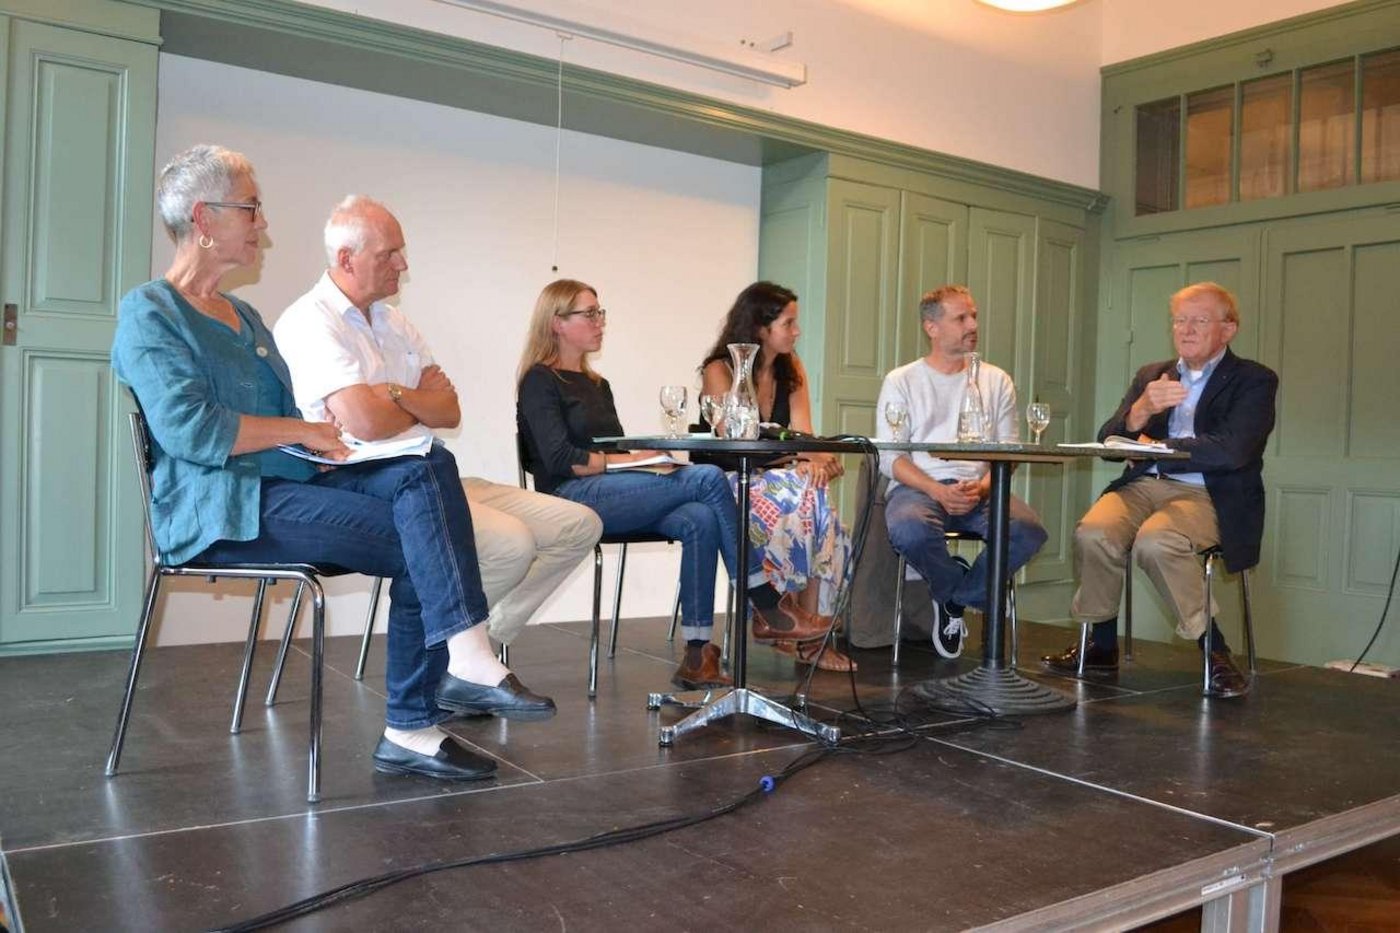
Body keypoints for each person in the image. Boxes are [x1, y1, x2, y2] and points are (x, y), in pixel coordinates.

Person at [111, 144, 554, 786]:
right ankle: (417, 718)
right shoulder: (150, 311)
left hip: (285, 483)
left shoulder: (243, 315)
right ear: (205, 219)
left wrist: (321, 437)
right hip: (220, 507)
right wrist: (308, 431)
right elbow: (193, 430)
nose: (263, 224)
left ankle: (458, 663)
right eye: (252, 209)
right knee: (416, 542)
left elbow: (309, 420)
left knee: (425, 468)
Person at [274, 195, 601, 648]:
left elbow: (449, 410)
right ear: (347, 258)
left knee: (580, 524)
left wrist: (391, 393)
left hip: (432, 469)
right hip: (373, 483)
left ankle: (472, 646)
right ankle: (457, 658)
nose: (402, 264)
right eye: (389, 253)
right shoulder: (311, 320)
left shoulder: (395, 322)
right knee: (511, 544)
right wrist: (414, 400)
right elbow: (365, 423)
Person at [516, 279, 830, 689]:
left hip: (610, 492)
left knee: (700, 516)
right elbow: (561, 460)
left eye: (600, 312)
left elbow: (617, 448)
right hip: (568, 499)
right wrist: (634, 463)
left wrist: (649, 462)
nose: (600, 321)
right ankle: (766, 602)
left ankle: (698, 653)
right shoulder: (540, 380)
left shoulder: (598, 386)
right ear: (557, 322)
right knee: (708, 477)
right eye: (589, 313)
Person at [1044, 282, 1276, 698]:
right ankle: (1101, 644)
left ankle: (1215, 651)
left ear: (1229, 329)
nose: (1186, 330)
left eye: (1199, 320)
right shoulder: (1152, 375)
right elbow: (1109, 443)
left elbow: (1233, 450)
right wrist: (1141, 411)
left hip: (1207, 493)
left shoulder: (1253, 380)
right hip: (1143, 485)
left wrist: (1159, 448)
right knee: (1093, 531)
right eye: (1179, 320)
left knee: (1157, 542)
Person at [875, 285, 1048, 659]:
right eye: (961, 318)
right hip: (920, 485)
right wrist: (937, 490)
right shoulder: (901, 381)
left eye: (974, 316)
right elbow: (892, 457)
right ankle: (958, 585)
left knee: (1028, 531)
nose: (972, 324)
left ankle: (954, 598)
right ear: (931, 327)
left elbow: (1009, 451)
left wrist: (983, 487)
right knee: (908, 528)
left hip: (980, 487)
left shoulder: (996, 380)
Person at [698, 281, 856, 672]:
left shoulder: (792, 369)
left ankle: (795, 627)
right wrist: (806, 457)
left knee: (814, 497)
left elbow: (804, 434)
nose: (797, 332)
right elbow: (737, 442)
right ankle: (801, 632)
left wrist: (818, 461)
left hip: (784, 482)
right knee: (809, 496)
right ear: (759, 327)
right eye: (789, 323)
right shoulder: (719, 370)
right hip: (733, 484)